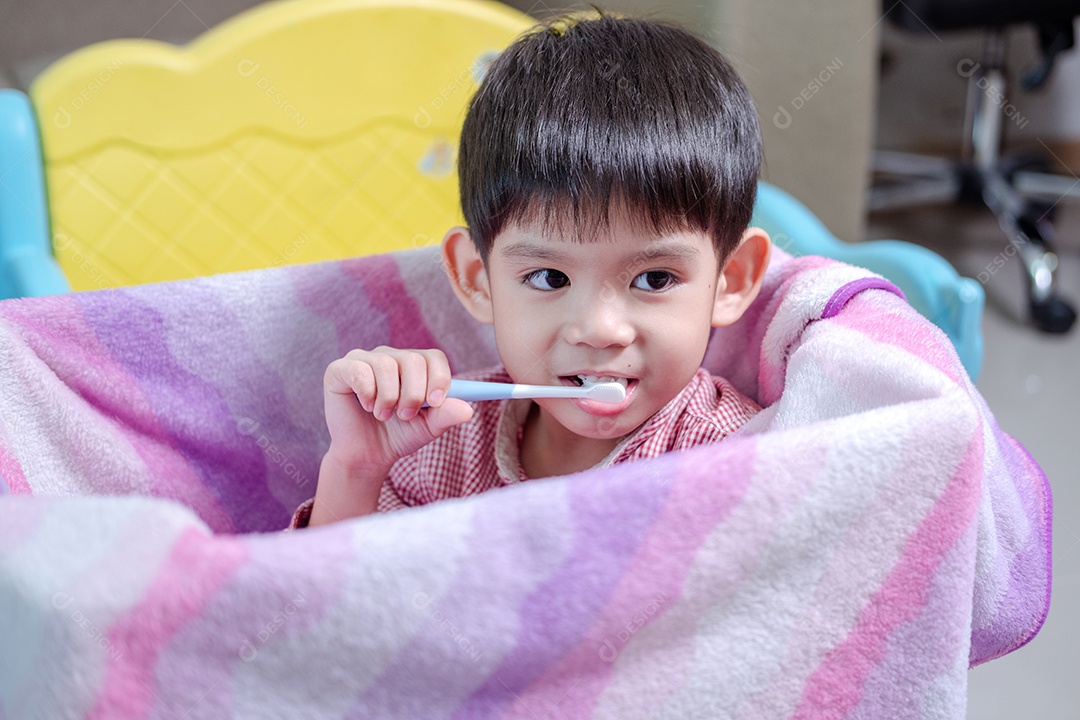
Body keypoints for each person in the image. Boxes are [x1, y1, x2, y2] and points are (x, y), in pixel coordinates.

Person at [290, 9, 771, 529]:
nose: (599, 330)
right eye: (549, 278)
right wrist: (357, 470)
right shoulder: (434, 447)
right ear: (478, 279)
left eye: (655, 279)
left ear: (733, 279)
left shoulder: (738, 457)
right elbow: (324, 607)